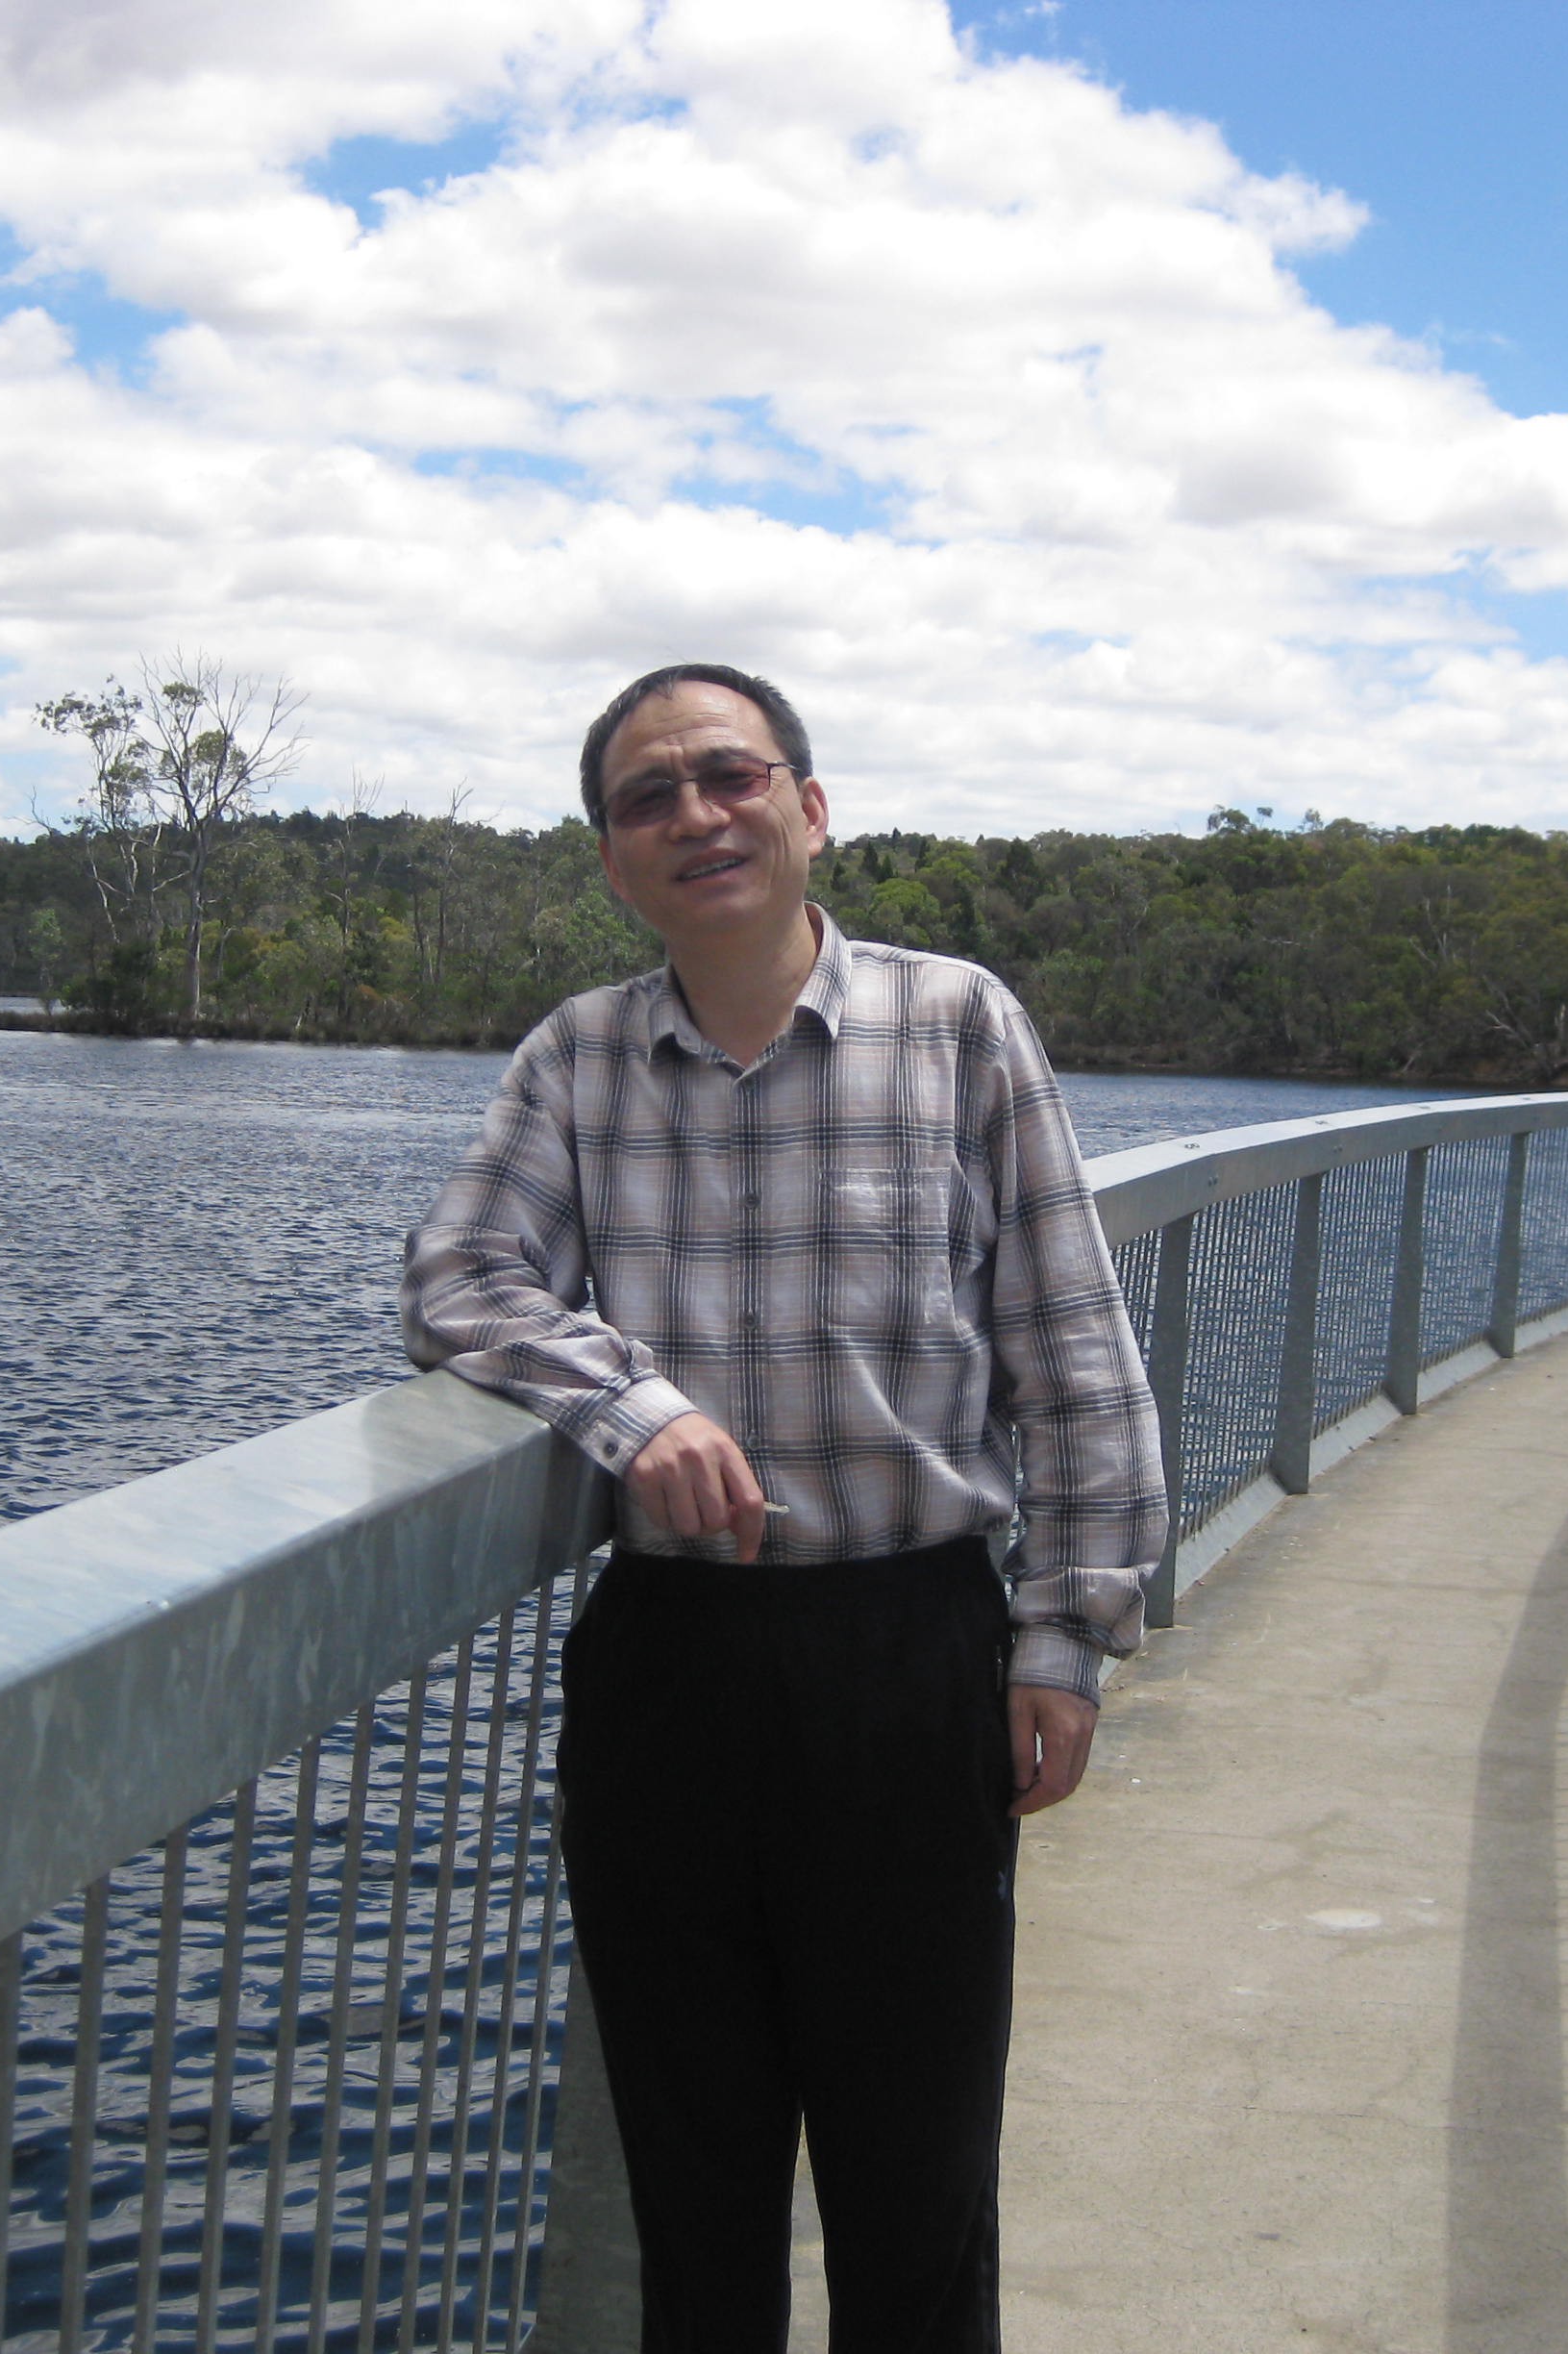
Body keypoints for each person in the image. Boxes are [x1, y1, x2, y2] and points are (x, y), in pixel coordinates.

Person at [399, 663, 1167, 2354]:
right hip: (672, 1663)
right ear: (614, 860)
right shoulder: (580, 1057)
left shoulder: (958, 1024)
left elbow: (1073, 1351)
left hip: (911, 1652)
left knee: (917, 2193)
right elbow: (460, 1275)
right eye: (647, 798)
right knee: (695, 2195)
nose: (696, 816)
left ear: (809, 810)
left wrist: (1066, 1637)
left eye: (729, 777)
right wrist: (636, 1406)